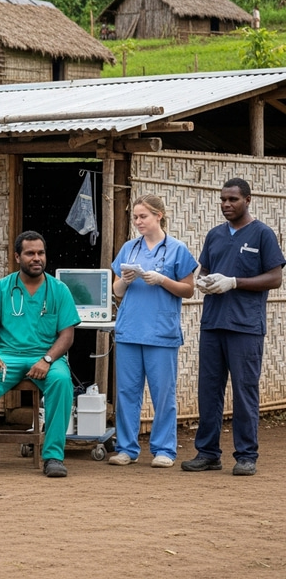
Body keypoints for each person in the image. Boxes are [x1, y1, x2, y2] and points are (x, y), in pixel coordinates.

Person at [182, 178, 284, 476]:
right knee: (209, 391)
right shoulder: (215, 235)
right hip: (213, 323)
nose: (227, 204)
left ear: (248, 200)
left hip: (245, 326)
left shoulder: (263, 234)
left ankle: (246, 455)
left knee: (244, 390)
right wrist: (204, 281)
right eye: (223, 199)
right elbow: (206, 270)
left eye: (233, 200)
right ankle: (208, 453)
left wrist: (235, 282)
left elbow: (275, 278)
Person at [0, 230, 80, 479]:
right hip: (8, 356)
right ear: (17, 256)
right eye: (30, 253)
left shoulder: (59, 290)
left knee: (61, 381)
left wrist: (47, 360)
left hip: (47, 356)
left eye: (41, 253)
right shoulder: (3, 288)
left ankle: (53, 457)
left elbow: (67, 336)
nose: (37, 258)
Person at [109, 195, 197, 468]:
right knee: (126, 393)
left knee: (163, 394)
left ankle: (164, 450)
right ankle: (126, 449)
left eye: (143, 216)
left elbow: (189, 289)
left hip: (161, 332)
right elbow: (116, 291)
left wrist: (162, 280)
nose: (138, 222)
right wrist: (124, 279)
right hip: (130, 330)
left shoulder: (177, 249)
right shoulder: (129, 249)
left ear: (159, 215)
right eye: (135, 217)